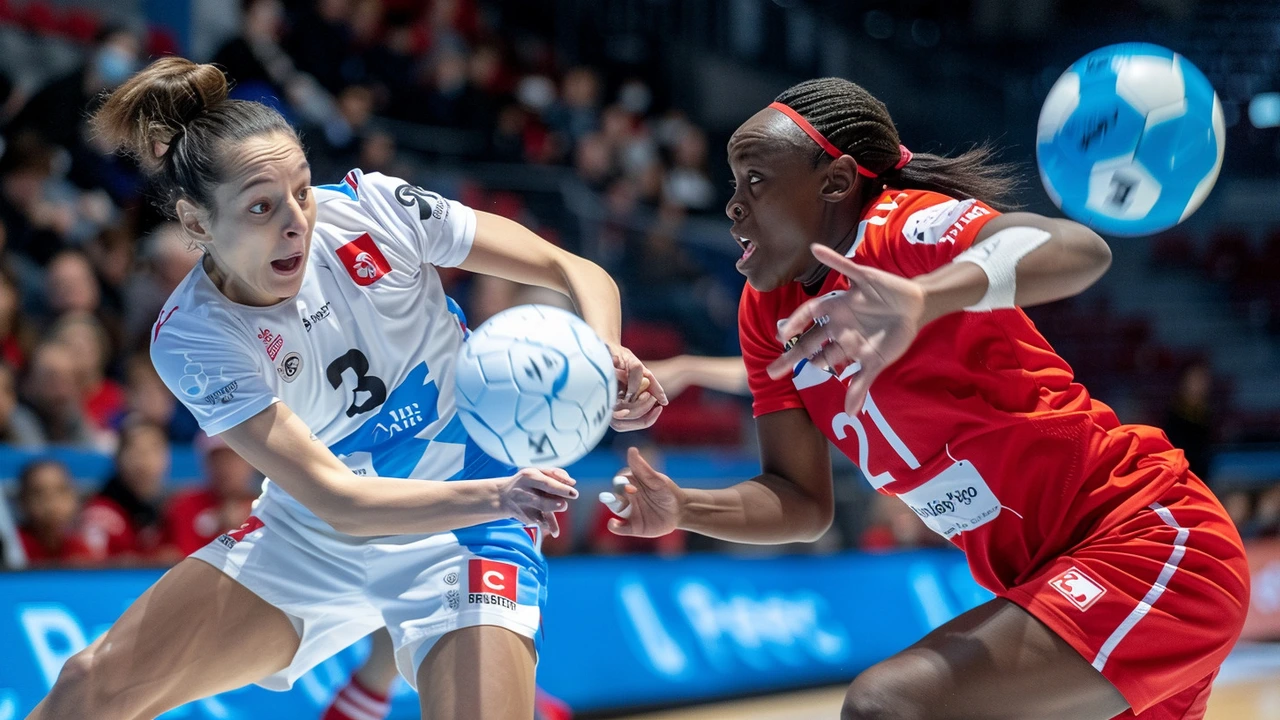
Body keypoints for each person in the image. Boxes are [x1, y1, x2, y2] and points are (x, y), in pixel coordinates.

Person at [30, 57, 664, 720]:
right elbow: (339, 502)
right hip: (321, 531)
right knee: (90, 687)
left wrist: (607, 357)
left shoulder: (374, 211)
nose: (296, 221)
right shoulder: (192, 335)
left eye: (301, 190)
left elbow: (573, 268)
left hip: (465, 523)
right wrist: (503, 494)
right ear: (195, 225)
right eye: (260, 207)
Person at [603, 78, 1249, 720]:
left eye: (756, 180)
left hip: (1147, 544)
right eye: (733, 183)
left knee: (888, 705)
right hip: (1045, 585)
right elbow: (800, 502)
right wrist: (684, 506)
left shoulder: (900, 228)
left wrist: (926, 295)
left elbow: (1081, 249)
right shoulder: (763, 313)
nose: (733, 206)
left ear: (836, 182)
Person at [79, 420, 177, 564]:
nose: (145, 463)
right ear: (118, 459)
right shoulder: (100, 514)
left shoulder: (169, 510)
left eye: (154, 451)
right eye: (136, 452)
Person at [164, 432, 259, 556]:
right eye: (218, 459)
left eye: (234, 458)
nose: (226, 467)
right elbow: (183, 559)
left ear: (251, 463)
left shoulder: (265, 509)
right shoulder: (185, 506)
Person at [15, 459, 95, 567]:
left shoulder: (86, 545)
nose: (51, 502)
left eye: (61, 491)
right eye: (39, 494)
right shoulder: (13, 546)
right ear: (22, 501)